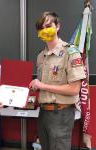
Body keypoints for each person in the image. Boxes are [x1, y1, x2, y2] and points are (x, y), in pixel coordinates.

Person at [29, 11, 86, 150]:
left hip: (61, 114)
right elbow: (45, 85)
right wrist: (36, 86)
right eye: (41, 28)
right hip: (43, 113)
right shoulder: (41, 56)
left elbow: (74, 89)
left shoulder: (70, 52)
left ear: (58, 26)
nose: (45, 30)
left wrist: (42, 85)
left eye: (48, 25)